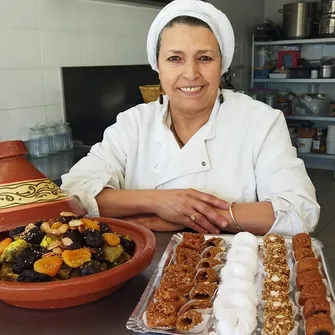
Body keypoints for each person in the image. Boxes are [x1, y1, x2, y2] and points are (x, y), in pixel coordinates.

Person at [61, 0, 320, 236]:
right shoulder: (133, 124)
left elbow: (300, 212)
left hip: (233, 271)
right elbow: (72, 195)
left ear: (222, 66)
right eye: (175, 58)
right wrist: (159, 202)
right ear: (158, 67)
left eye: (205, 58)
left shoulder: (259, 122)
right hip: (143, 269)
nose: (191, 73)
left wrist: (189, 217)